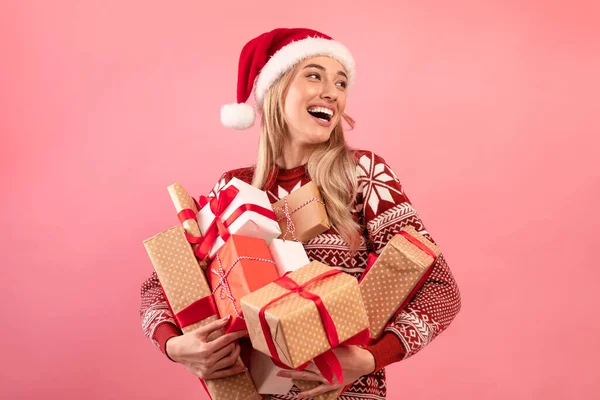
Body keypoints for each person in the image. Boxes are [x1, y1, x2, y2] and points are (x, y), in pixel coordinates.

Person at [140, 27, 461, 400]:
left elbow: (441, 288)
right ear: (276, 88)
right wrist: (177, 347)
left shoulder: (361, 173)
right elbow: (161, 285)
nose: (332, 92)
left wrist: (371, 358)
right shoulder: (232, 191)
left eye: (341, 83)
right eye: (314, 75)